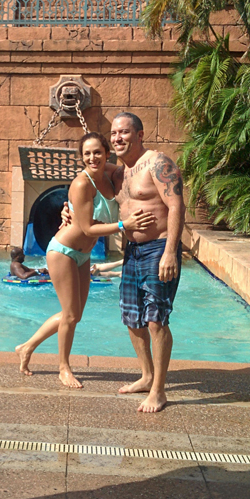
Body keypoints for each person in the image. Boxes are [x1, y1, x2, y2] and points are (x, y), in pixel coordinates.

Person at [15, 132, 155, 388]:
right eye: (87, 154)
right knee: (69, 315)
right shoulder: (82, 183)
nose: (93, 157)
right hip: (63, 252)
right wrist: (125, 225)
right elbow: (89, 228)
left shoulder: (110, 174)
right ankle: (63, 368)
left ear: (106, 153)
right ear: (81, 158)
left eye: (97, 152)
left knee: (74, 315)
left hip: (83, 254)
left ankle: (26, 347)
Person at [110, 112, 185, 413]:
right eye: (114, 133)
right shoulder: (120, 173)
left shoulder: (158, 163)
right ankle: (146, 375)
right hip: (132, 251)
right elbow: (86, 180)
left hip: (157, 249)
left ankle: (159, 391)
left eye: (124, 133)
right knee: (132, 318)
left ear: (139, 135)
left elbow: (176, 204)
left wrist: (170, 251)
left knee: (156, 320)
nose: (118, 138)